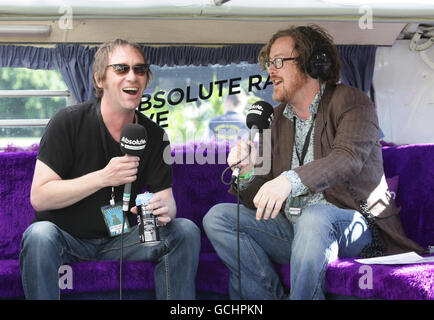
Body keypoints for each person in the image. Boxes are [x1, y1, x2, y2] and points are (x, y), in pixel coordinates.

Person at [203, 24, 423, 300]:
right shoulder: (276, 118)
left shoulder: (353, 102)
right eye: (269, 63)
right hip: (293, 229)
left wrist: (289, 180)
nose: (271, 70)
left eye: (279, 61)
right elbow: (255, 197)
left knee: (315, 216)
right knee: (220, 217)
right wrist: (246, 173)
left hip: (351, 225)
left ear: (312, 63)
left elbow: (347, 159)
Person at [20, 39, 201, 300]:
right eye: (121, 68)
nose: (133, 76)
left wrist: (161, 210)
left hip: (122, 239)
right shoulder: (67, 122)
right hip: (66, 240)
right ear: (99, 79)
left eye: (140, 70)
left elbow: (167, 201)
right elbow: (39, 197)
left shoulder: (154, 134)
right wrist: (103, 177)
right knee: (38, 235)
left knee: (184, 231)